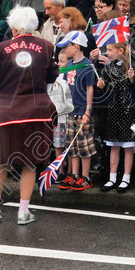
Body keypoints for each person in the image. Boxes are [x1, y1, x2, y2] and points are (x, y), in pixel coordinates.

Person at [0, 7, 59, 224]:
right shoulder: (47, 46)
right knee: (30, 163)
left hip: (6, 112)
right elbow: (52, 76)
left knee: (1, 162)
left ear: (13, 28)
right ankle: (23, 211)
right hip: (37, 111)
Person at [95, 40, 135, 192]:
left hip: (129, 112)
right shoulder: (108, 68)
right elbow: (105, 91)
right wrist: (101, 86)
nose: (107, 53)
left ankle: (126, 178)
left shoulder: (134, 66)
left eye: (110, 50)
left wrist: (132, 79)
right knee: (114, 146)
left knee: (128, 147)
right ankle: (112, 178)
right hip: (113, 112)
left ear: (121, 51)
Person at [55, 30, 97, 192]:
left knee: (84, 145)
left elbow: (89, 89)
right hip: (70, 110)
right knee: (71, 145)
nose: (65, 50)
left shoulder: (87, 65)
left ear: (77, 46)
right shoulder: (69, 65)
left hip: (82, 111)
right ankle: (73, 174)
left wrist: (88, 111)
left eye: (67, 46)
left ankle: (85, 176)